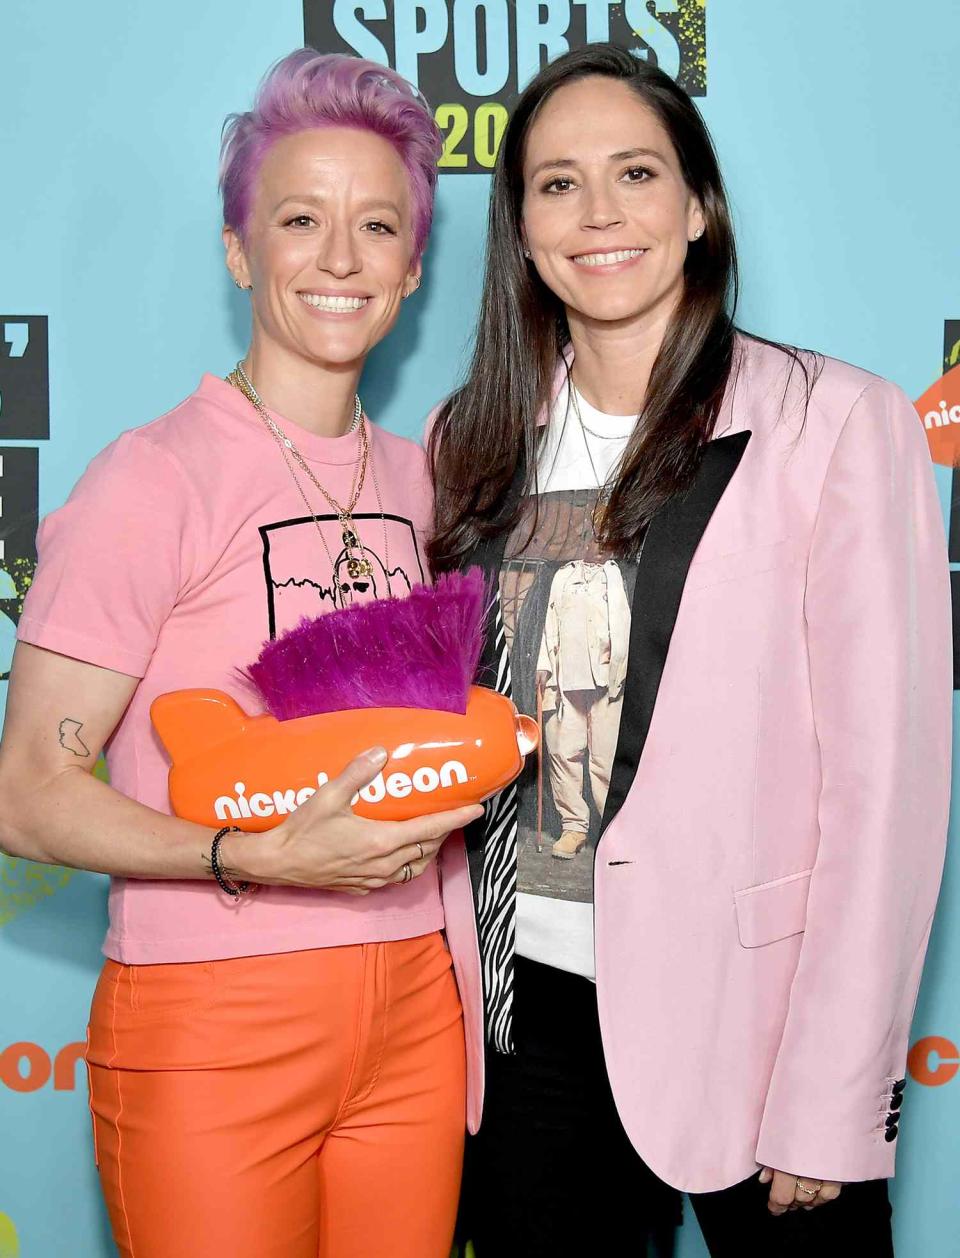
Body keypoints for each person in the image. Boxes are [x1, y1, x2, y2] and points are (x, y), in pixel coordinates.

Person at [428, 43, 951, 1257]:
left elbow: (889, 793)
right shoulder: (476, 437)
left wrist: (832, 1097)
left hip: (758, 1029)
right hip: (527, 1028)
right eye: (558, 184)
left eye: (636, 173)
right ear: (519, 227)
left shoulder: (834, 421)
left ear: (699, 205)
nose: (599, 213)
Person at [0, 50, 485, 1258]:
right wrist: (253, 853)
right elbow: (28, 795)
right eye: (299, 219)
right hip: (214, 1016)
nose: (338, 257)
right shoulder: (150, 478)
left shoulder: (427, 483)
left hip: (416, 1009)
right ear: (237, 249)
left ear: (413, 267)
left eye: (376, 226)